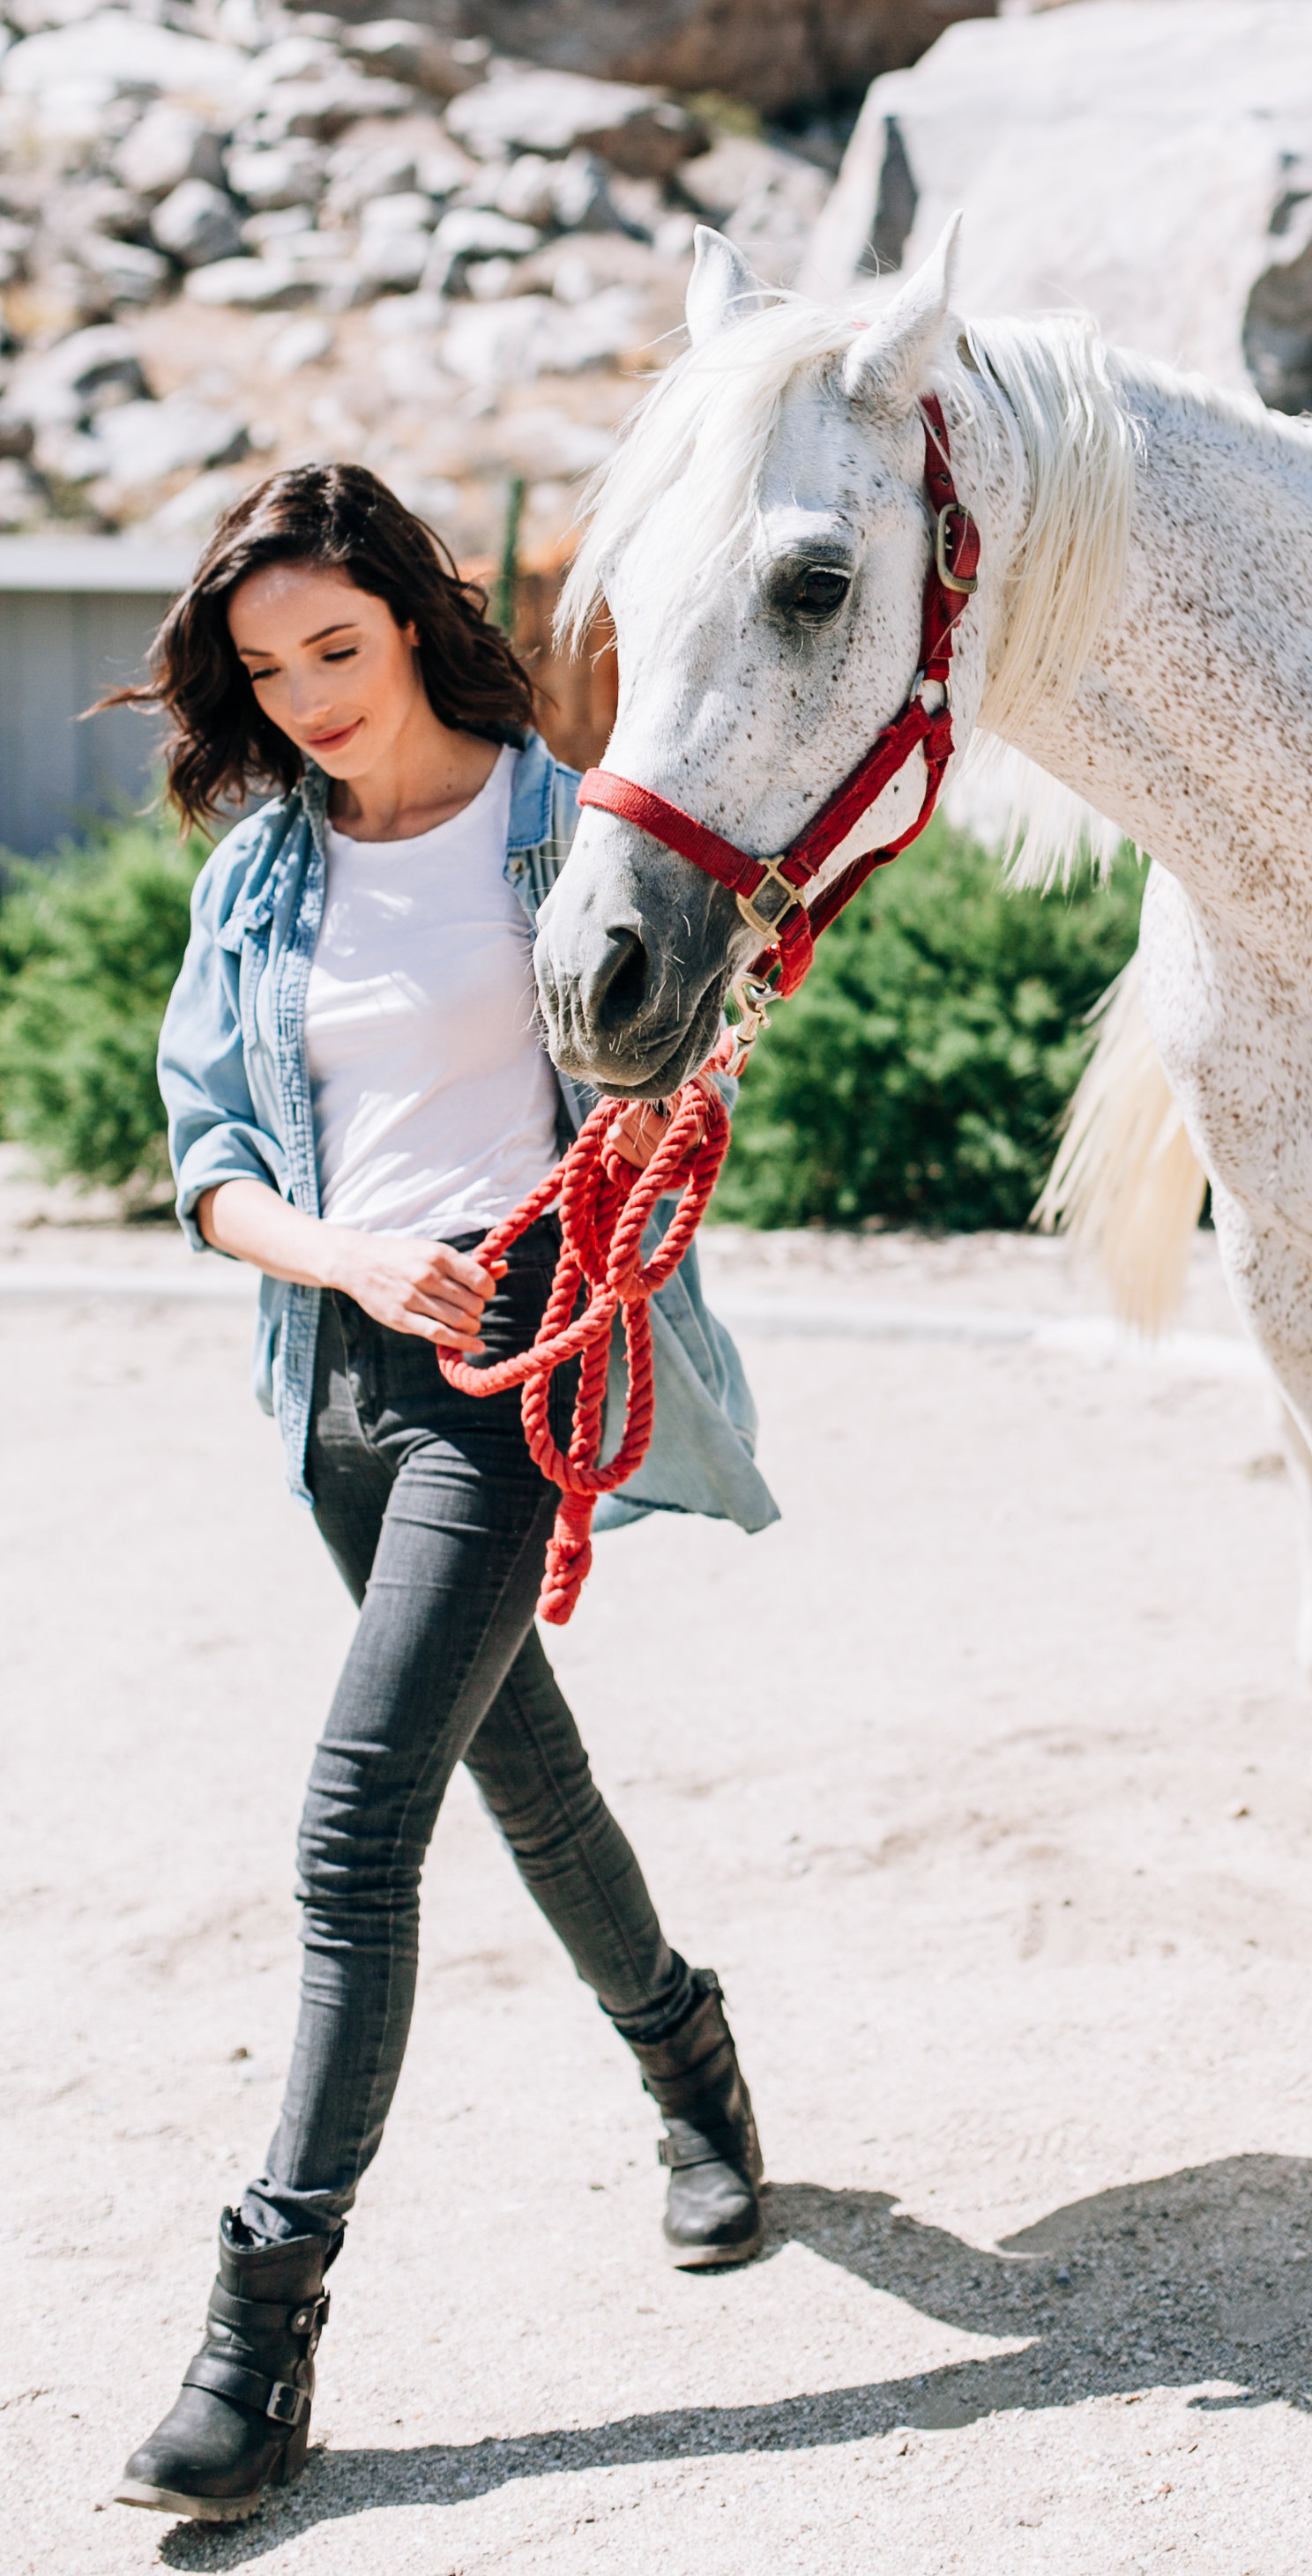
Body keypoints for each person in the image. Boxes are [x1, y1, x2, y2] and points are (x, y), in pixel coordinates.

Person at [115, 464, 779, 2526]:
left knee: (350, 1830)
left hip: (513, 1377)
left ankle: (259, 2323)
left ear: (410, 617)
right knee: (525, 1781)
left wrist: (677, 1091)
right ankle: (690, 2061)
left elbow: (681, 1053)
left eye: (336, 646)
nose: (307, 697)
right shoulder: (261, 880)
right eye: (265, 669)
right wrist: (349, 1262)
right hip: (338, 1385)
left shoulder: (562, 825)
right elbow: (210, 1165)